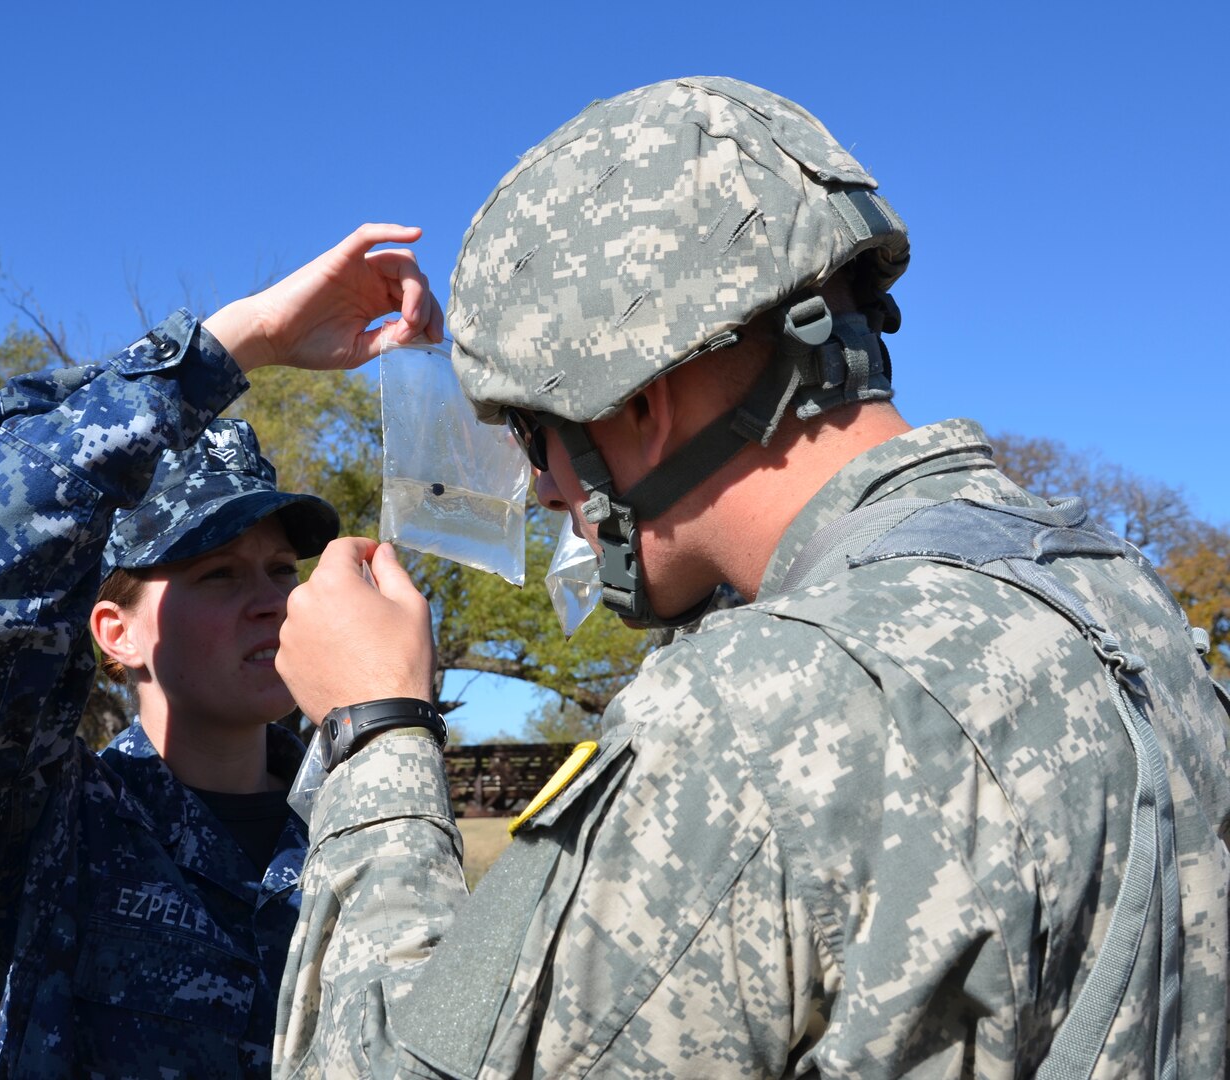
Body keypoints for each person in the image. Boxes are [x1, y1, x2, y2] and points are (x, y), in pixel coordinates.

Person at [270, 79, 1230, 1077]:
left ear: (639, 402)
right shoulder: (1122, 597)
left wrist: (372, 729)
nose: (545, 492)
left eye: (530, 435)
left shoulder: (758, 709)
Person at [0, 223, 443, 1079]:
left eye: (280, 567)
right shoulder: (39, 821)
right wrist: (242, 342)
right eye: (217, 575)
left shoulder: (364, 817)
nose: (271, 597)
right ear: (114, 634)